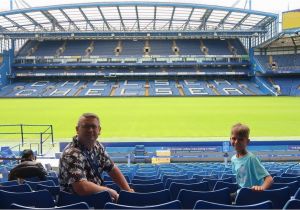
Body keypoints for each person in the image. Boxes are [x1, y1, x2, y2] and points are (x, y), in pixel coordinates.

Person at [59, 113, 133, 201]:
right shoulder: (71, 154)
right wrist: (109, 191)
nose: (90, 130)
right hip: (76, 204)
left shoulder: (97, 146)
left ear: (99, 130)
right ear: (77, 129)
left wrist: (127, 190)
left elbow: (112, 168)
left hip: (94, 201)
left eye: (93, 126)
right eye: (85, 126)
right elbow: (81, 188)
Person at [230, 123, 273, 192]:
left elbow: (269, 179)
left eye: (240, 139)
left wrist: (261, 188)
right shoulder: (233, 159)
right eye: (234, 138)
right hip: (242, 192)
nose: (236, 142)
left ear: (247, 141)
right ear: (230, 139)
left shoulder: (251, 159)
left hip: (252, 194)